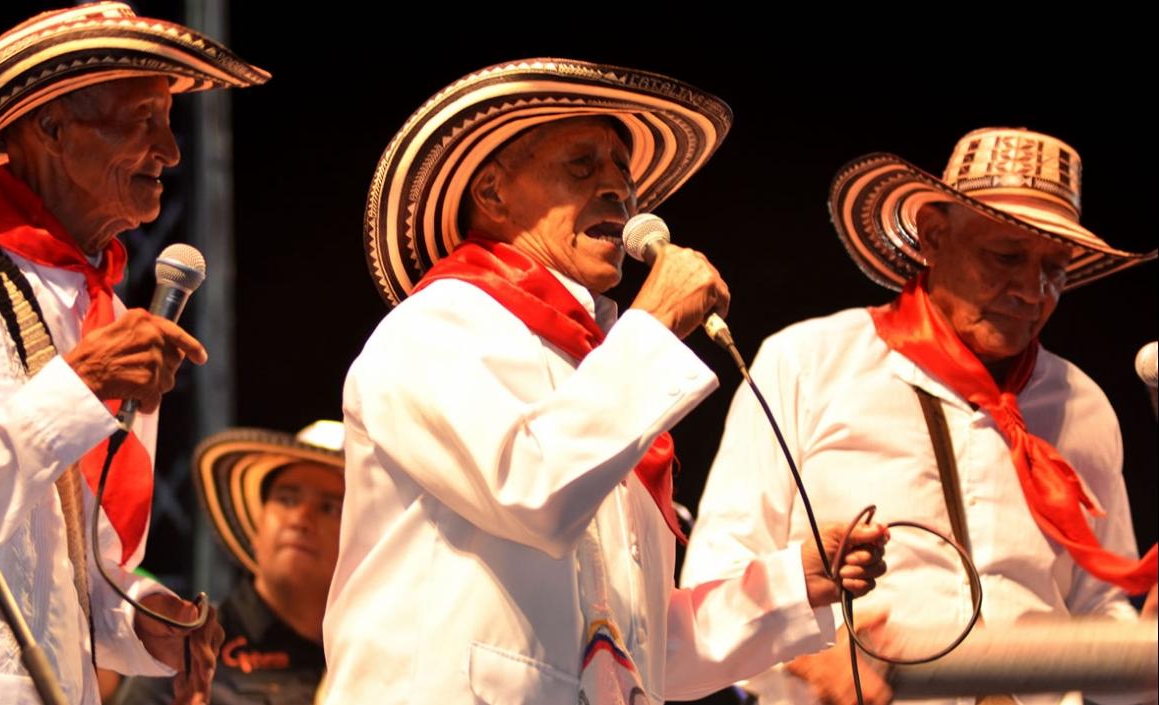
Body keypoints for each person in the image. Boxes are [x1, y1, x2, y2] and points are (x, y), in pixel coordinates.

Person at [322, 58, 888, 705]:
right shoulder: (438, 323)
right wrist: (653, 323)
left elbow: (638, 647)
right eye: (583, 165)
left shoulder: (600, 376)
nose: (620, 190)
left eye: (624, 172)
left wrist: (798, 583)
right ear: (492, 192)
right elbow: (534, 488)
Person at [681, 127, 1158, 705]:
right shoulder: (808, 362)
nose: (1034, 292)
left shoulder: (1082, 405)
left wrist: (1139, 648)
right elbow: (717, 571)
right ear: (934, 236)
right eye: (1006, 257)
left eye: (1055, 268)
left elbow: (1097, 609)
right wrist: (807, 652)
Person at [0, 3, 268, 703]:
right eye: (143, 120)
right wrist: (77, 386)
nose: (171, 151)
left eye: (169, 122)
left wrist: (144, 623)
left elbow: (79, 564)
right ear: (51, 128)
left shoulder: (111, 316)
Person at [110, 421, 344, 705]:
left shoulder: (381, 649)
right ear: (257, 527)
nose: (300, 519)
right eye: (286, 499)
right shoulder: (186, 647)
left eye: (329, 507)